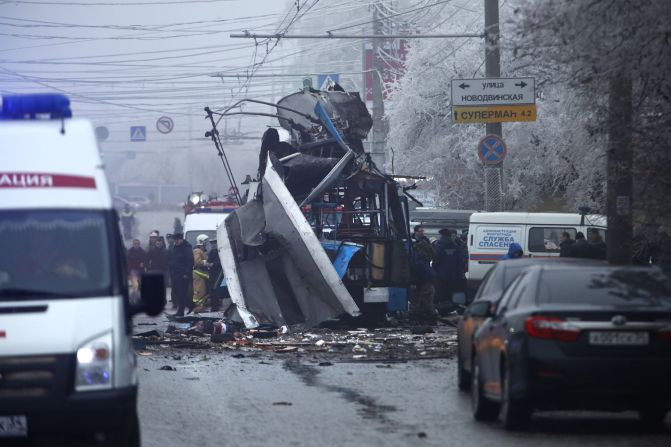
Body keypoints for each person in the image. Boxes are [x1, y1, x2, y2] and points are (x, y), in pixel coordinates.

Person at [432, 229, 465, 314]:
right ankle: (450, 309)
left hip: (441, 276)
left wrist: (435, 272)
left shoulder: (439, 247)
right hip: (453, 275)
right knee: (451, 293)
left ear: (442, 236)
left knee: (441, 294)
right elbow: (460, 261)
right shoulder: (456, 246)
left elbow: (435, 260)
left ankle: (442, 310)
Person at [410, 238, 437, 324]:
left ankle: (416, 318)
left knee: (417, 301)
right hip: (428, 279)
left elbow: (416, 271)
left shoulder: (416, 257)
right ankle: (430, 319)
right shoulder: (424, 256)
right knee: (428, 301)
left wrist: (414, 283)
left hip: (423, 280)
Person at [169, 232, 194, 317]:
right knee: (177, 293)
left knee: (181, 293)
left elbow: (190, 261)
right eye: (174, 240)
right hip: (176, 274)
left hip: (183, 275)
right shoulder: (175, 247)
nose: (175, 242)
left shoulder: (187, 247)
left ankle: (186, 308)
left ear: (181, 239)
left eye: (177, 240)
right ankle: (185, 309)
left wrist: (187, 273)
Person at [192, 234, 210, 312]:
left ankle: (201, 308)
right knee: (199, 292)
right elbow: (197, 262)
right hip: (198, 275)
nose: (206, 243)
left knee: (203, 292)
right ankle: (197, 308)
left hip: (202, 275)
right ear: (201, 242)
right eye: (205, 242)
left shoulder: (202, 251)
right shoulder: (197, 251)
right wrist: (208, 262)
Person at [207, 236, 224, 312]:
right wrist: (208, 264)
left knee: (217, 292)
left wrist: (213, 264)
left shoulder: (222, 251)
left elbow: (222, 262)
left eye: (214, 242)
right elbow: (208, 260)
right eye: (212, 243)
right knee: (212, 292)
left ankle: (216, 308)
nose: (213, 244)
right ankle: (213, 308)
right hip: (212, 275)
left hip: (219, 274)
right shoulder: (211, 252)